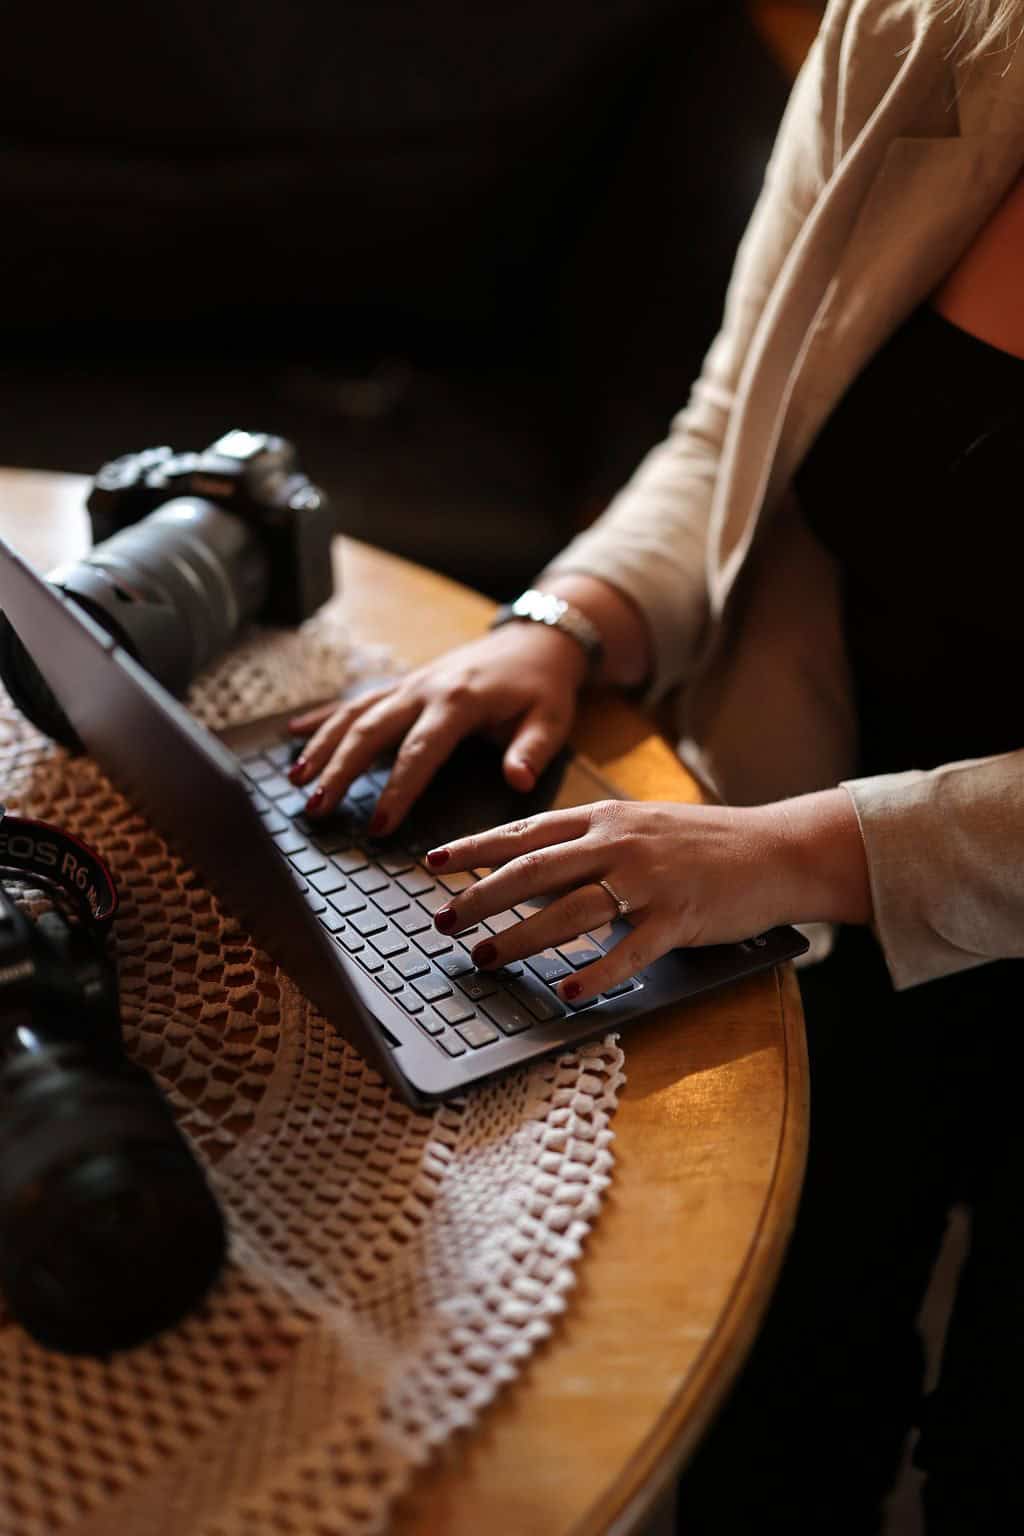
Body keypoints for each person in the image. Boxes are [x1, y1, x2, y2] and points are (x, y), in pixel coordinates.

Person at [288, 1, 1024, 1526]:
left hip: (831, 855)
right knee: (782, 1390)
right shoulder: (930, 31)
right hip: (820, 879)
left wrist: (789, 850)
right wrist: (564, 620)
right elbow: (729, 430)